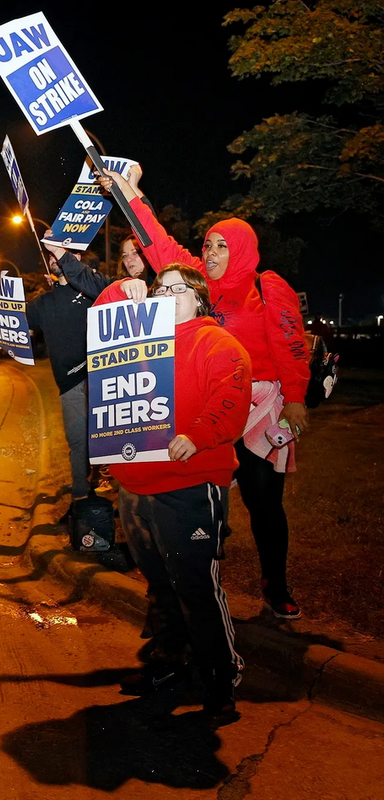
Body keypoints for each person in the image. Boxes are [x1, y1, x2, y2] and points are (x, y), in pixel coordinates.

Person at [99, 166, 311, 619]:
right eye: (208, 245)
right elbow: (156, 241)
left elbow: (291, 345)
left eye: (221, 246)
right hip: (201, 402)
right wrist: (127, 191)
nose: (210, 253)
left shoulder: (266, 287)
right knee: (203, 489)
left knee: (263, 500)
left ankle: (276, 584)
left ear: (242, 250)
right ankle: (202, 570)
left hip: (257, 407)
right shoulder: (195, 282)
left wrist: (294, 398)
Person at [97, 264, 252, 726]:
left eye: (178, 288)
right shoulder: (138, 341)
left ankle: (220, 679)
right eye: (160, 288)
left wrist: (199, 434)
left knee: (196, 586)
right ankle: (168, 663)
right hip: (135, 488)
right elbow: (101, 325)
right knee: (160, 585)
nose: (167, 294)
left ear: (199, 299)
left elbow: (232, 396)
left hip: (189, 485)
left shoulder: (216, 342)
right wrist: (120, 289)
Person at [0, 242, 107, 513]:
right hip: (69, 383)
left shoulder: (94, 291)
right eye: (51, 254)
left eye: (62, 252)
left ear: (76, 258)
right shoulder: (44, 303)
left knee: (106, 437)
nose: (54, 256)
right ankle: (80, 498)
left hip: (102, 378)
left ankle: (104, 483)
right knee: (77, 441)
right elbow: (12, 320)